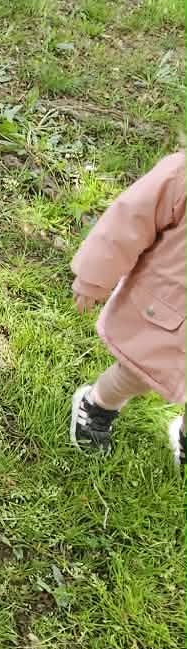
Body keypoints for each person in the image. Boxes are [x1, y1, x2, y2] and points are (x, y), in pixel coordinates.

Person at [69, 145, 186, 464]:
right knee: (136, 373)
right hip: (170, 318)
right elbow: (126, 225)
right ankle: (97, 404)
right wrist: (94, 277)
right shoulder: (181, 176)